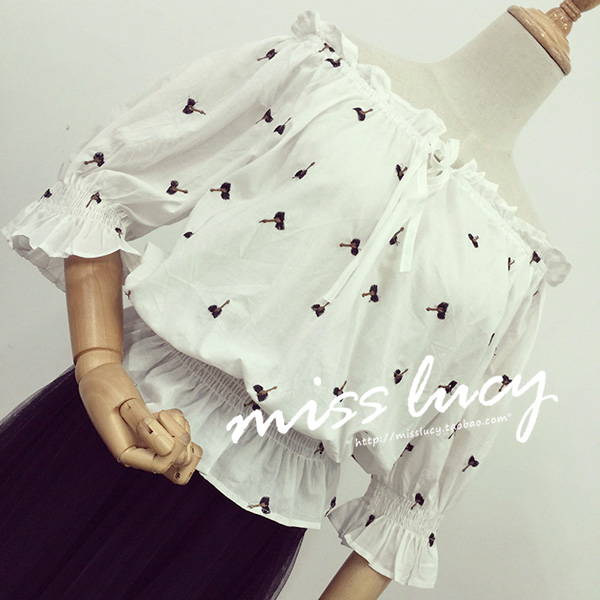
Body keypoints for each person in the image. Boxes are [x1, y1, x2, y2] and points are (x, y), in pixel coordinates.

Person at [0, 6, 576, 599]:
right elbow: (105, 185)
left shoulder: (517, 267)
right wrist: (100, 365)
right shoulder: (322, 76)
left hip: (237, 533)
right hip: (124, 423)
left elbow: (411, 503)